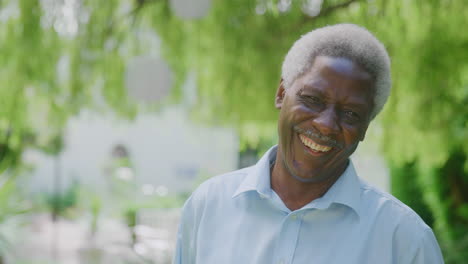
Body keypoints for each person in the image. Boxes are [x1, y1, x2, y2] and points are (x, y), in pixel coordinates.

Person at [173, 24, 444, 264]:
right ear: (281, 93)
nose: (326, 124)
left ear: (365, 127)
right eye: (313, 99)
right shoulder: (208, 206)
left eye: (351, 114)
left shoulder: (405, 240)